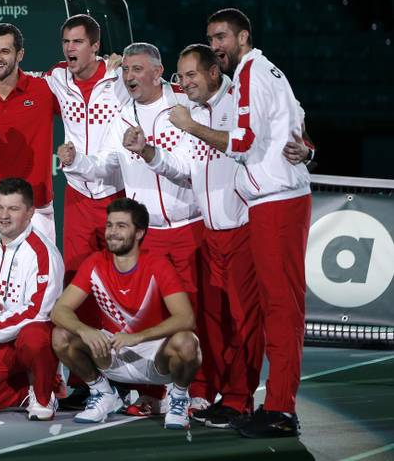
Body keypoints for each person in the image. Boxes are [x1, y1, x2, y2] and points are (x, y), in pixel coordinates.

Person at [178, 8, 311, 438]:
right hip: (271, 201)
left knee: (280, 309)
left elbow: (242, 141)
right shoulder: (266, 73)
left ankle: (280, 409)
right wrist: (306, 148)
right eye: (211, 38)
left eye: (222, 37)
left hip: (277, 202)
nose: (216, 46)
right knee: (273, 309)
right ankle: (271, 403)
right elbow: (298, 118)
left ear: (243, 37)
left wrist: (192, 127)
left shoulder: (253, 72)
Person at [59, 42, 206, 412]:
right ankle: (151, 395)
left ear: (158, 73)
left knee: (192, 316)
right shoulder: (121, 114)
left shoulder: (182, 109)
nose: (128, 77)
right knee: (147, 316)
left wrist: (149, 152)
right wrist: (76, 162)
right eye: (125, 70)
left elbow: (187, 172)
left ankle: (197, 392)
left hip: (187, 226)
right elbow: (105, 165)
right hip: (149, 235)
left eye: (137, 70)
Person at [123, 44, 262, 428]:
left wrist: (307, 150)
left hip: (233, 228)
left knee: (239, 319)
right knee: (212, 321)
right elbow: (183, 168)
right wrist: (150, 153)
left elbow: (265, 136)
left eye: (191, 76)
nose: (184, 83)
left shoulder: (231, 104)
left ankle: (237, 397)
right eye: (181, 78)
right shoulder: (192, 112)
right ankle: (214, 394)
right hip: (209, 232)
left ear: (214, 72)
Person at [50, 198, 201, 429]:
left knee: (188, 343)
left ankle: (179, 398)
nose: (112, 232)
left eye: (121, 226)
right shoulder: (95, 263)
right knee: (61, 336)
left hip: (154, 358)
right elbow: (59, 310)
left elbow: (186, 318)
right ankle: (101, 392)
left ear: (139, 233)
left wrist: (138, 337)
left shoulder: (157, 265)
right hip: (111, 353)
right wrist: (85, 330)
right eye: (110, 225)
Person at [0, 178, 64, 420]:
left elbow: (38, 311)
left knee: (35, 335)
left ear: (30, 212)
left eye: (13, 208)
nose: (4, 216)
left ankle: (44, 395)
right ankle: (22, 391)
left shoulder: (42, 252)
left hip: (22, 338)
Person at [46, 15, 128, 283]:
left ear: (95, 46)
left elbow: (156, 83)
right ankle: (82, 326)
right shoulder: (57, 77)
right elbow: (22, 82)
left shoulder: (121, 77)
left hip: (116, 192)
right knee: (77, 275)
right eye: (66, 42)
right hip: (77, 195)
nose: (70, 48)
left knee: (119, 274)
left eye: (78, 42)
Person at [0, 23, 58, 241]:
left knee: (40, 272)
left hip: (35, 204)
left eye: (5, 51)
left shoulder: (43, 90)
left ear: (20, 54)